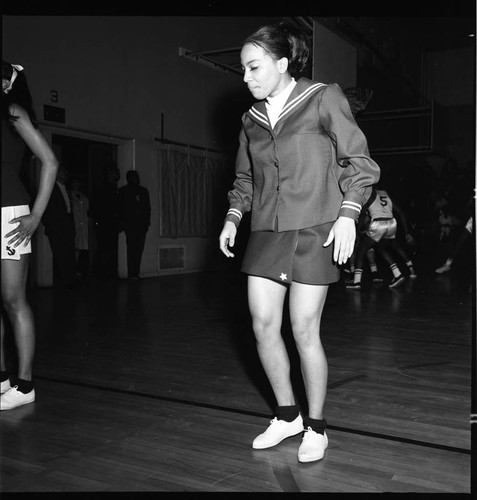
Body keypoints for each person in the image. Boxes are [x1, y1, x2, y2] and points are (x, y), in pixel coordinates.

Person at [218, 21, 380, 463]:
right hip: (267, 231)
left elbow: (359, 162)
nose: (246, 77)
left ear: (283, 63)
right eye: (244, 70)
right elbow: (245, 178)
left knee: (304, 328)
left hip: (315, 227)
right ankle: (287, 415)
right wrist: (234, 216)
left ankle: (316, 427)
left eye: (254, 67)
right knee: (262, 325)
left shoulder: (323, 97)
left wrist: (349, 214)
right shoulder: (250, 120)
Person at [1, 61, 58, 410]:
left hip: (10, 216)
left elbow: (49, 161)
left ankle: (24, 386)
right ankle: (2, 379)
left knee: (13, 299)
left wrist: (36, 215)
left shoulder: (13, 111)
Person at [346, 187, 416, 290]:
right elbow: (399, 211)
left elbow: (362, 215)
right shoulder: (385, 193)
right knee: (381, 248)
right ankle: (397, 275)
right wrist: (406, 232)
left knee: (361, 250)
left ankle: (357, 281)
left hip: (379, 223)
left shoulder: (369, 193)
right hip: (391, 223)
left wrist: (356, 232)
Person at [41, 165, 77, 288]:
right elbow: (44, 208)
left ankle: (70, 280)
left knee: (69, 253)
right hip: (56, 227)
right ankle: (64, 281)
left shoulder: (65, 188)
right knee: (60, 254)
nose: (66, 174)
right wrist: (49, 223)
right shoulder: (50, 187)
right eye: (63, 172)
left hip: (67, 226)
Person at [118, 170, 151, 279]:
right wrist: (123, 224)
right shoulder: (123, 191)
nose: (135, 179)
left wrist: (146, 224)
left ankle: (135, 272)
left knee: (139, 249)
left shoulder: (143, 191)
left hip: (141, 226)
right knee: (131, 249)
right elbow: (120, 209)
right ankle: (131, 273)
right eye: (132, 177)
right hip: (130, 225)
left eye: (136, 176)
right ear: (128, 179)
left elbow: (147, 209)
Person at [90, 164, 120, 279]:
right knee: (104, 248)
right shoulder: (102, 188)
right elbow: (97, 207)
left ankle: (107, 272)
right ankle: (101, 273)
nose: (117, 174)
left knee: (109, 248)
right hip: (104, 223)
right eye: (115, 171)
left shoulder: (114, 188)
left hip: (111, 224)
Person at [70, 176, 90, 277]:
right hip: (74, 226)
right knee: (75, 248)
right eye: (73, 182)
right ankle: (73, 270)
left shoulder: (84, 198)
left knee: (82, 248)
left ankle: (80, 270)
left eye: (77, 182)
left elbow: (87, 211)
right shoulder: (69, 197)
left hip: (83, 227)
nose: (75, 184)